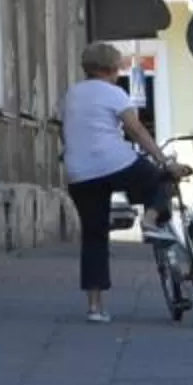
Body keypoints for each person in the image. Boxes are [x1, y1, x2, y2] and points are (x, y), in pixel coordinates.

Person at [61, 42, 176, 322]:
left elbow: (65, 132)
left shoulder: (71, 94)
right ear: (112, 68)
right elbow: (134, 129)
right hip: (114, 162)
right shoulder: (114, 93)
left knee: (94, 236)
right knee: (158, 179)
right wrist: (162, 159)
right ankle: (149, 221)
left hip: (79, 172)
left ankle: (95, 307)